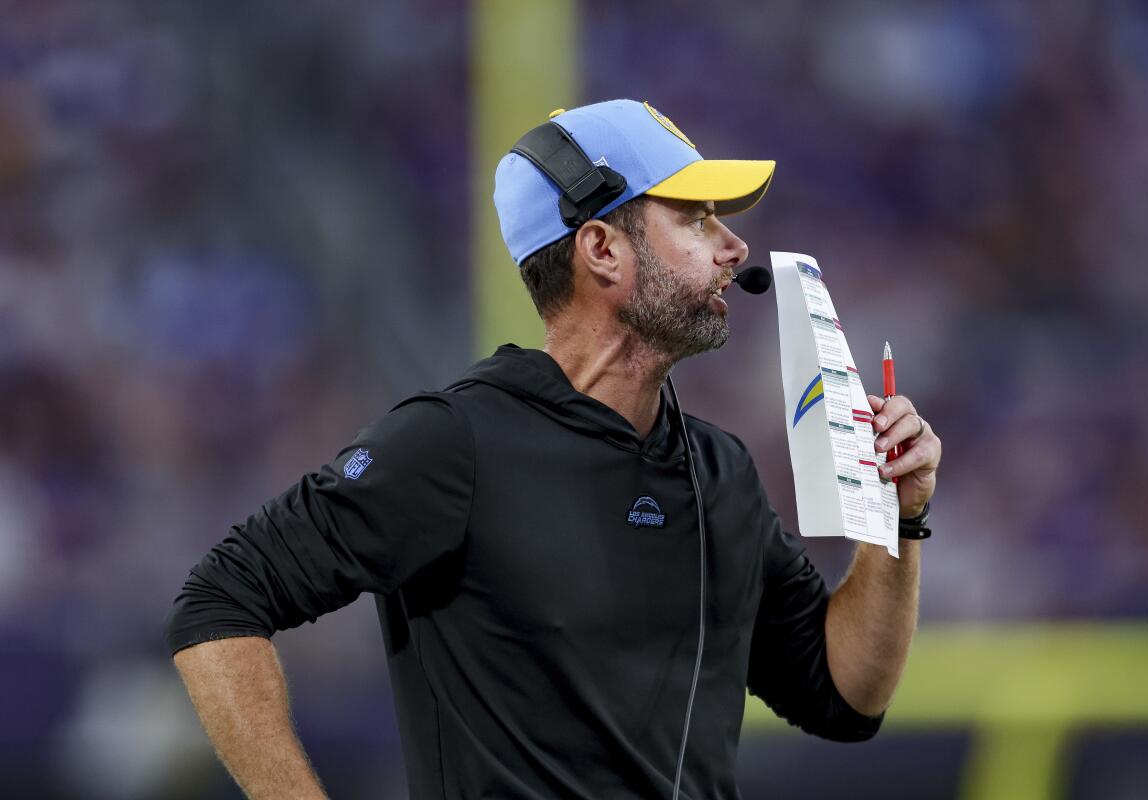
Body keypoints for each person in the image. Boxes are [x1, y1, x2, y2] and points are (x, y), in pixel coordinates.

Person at [165, 99, 942, 800]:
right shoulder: (455, 443)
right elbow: (219, 601)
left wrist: (896, 522)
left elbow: (846, 697)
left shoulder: (721, 470)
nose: (735, 246)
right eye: (696, 216)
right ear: (601, 247)